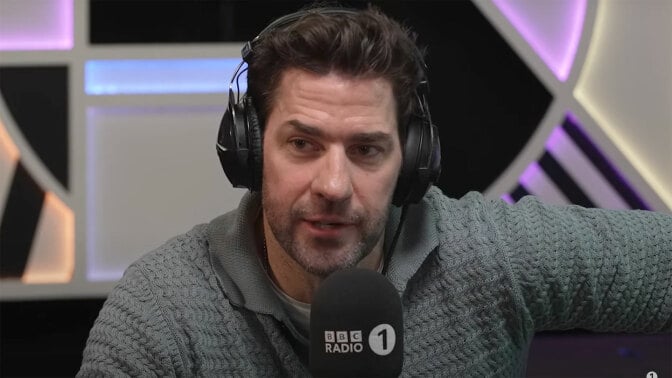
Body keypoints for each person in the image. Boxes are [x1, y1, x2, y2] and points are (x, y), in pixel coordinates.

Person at [78, 5, 672, 377]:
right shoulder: (165, 312)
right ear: (250, 152)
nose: (334, 186)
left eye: (366, 150)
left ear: (413, 160)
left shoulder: (489, 254)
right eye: (303, 144)